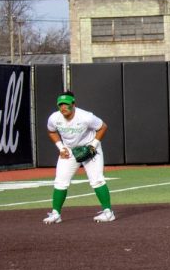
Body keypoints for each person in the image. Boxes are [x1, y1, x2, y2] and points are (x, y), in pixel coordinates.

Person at [43, 91, 116, 224]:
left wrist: (93, 145)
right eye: (60, 105)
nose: (63, 107)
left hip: (89, 148)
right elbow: (51, 131)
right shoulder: (54, 118)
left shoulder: (86, 117)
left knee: (97, 180)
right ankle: (56, 214)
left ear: (73, 104)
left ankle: (108, 212)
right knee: (60, 181)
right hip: (69, 150)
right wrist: (61, 147)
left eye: (66, 104)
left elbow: (103, 127)